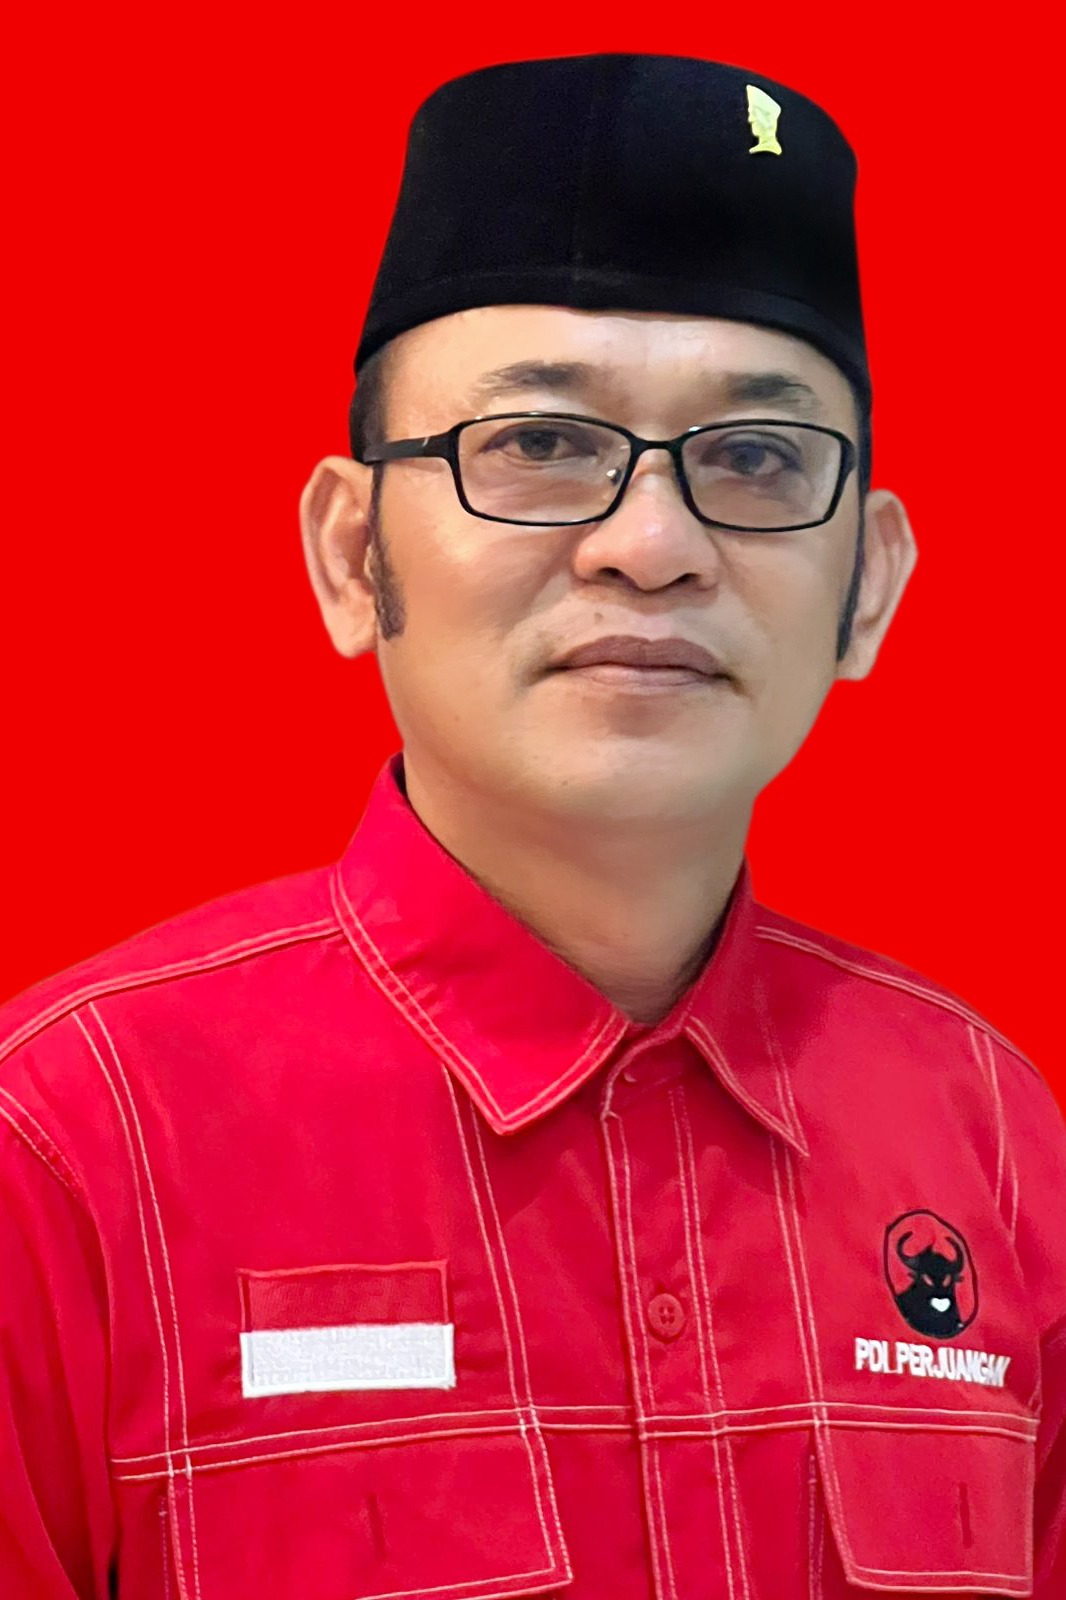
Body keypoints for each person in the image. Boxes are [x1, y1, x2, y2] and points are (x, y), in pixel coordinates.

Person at [1, 51, 1063, 1600]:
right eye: (542, 444)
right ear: (352, 554)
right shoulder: (65, 1148)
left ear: (868, 586)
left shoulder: (992, 1137)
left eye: (755, 458)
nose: (651, 545)